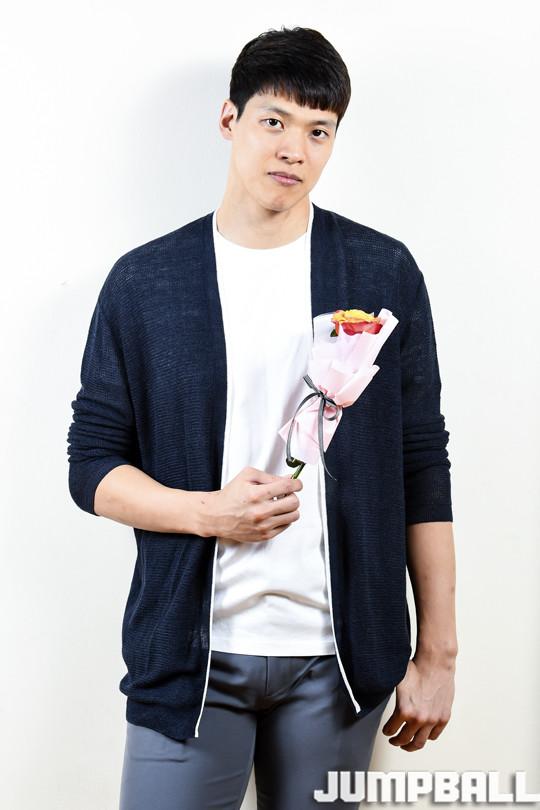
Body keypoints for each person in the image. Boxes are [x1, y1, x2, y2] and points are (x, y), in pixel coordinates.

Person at [66, 25, 457, 810]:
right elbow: (92, 467)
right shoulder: (145, 282)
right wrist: (207, 513)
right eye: (274, 121)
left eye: (318, 131)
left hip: (340, 664)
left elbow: (421, 464)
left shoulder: (381, 271)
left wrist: (438, 653)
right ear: (229, 120)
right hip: (190, 660)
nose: (293, 149)